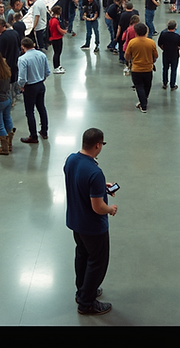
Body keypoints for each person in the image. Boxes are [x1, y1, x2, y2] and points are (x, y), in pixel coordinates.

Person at [65, 128, 117, 315]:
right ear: (97, 145)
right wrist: (110, 209)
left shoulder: (71, 160)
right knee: (97, 263)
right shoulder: (95, 172)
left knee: (82, 256)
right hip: (93, 227)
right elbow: (98, 207)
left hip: (76, 222)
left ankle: (82, 291)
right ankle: (87, 303)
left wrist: (100, 187)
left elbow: (78, 181)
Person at [18, 37, 51, 144]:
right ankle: (44, 131)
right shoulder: (42, 55)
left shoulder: (22, 59)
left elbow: (22, 77)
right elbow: (47, 71)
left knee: (30, 112)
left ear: (23, 47)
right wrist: (41, 79)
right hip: (40, 85)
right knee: (41, 108)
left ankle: (33, 136)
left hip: (30, 87)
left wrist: (21, 86)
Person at [126, 22, 158, 112]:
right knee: (147, 86)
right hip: (148, 69)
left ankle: (143, 105)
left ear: (136, 32)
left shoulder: (132, 42)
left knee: (139, 86)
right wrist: (152, 61)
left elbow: (127, 55)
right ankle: (144, 101)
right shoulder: (151, 42)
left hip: (136, 69)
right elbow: (156, 55)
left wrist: (129, 61)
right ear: (146, 32)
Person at [49, 5, 68, 73]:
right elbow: (58, 29)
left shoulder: (52, 20)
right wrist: (64, 31)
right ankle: (56, 67)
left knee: (58, 53)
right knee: (57, 53)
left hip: (55, 38)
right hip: (56, 38)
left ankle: (58, 65)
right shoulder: (55, 21)